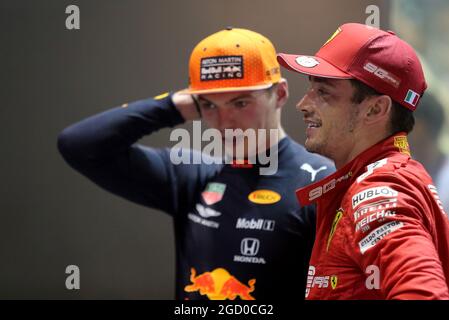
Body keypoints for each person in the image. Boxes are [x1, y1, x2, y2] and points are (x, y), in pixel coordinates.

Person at [57, 27, 333, 300]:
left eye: (240, 103)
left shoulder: (320, 180)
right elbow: (79, 145)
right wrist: (173, 107)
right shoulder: (192, 175)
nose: (225, 122)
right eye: (210, 106)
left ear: (281, 94)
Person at [277, 22, 449, 299]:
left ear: (375, 109)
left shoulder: (377, 191)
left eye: (323, 92)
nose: (303, 104)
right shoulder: (382, 177)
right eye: (311, 89)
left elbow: (425, 294)